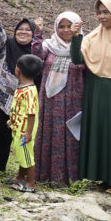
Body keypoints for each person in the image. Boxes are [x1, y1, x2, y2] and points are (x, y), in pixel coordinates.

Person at [70, 0, 111, 198]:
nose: (101, 16)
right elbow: (77, 60)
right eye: (99, 12)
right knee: (100, 132)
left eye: (106, 12)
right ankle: (105, 178)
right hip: (96, 91)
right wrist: (76, 38)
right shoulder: (94, 36)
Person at [0, 0, 41, 172]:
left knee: (13, 136)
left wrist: (39, 32)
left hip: (23, 102)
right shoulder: (6, 46)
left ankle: (2, 167)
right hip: (1, 98)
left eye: (27, 30)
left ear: (33, 34)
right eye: (20, 29)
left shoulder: (36, 50)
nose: (23, 32)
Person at [33, 11, 86, 185]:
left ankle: (71, 177)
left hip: (73, 99)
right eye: (61, 26)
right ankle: (46, 175)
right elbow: (37, 55)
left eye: (69, 26)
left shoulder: (84, 45)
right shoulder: (49, 45)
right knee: (50, 132)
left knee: (71, 134)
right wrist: (38, 33)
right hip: (51, 100)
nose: (65, 30)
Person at [7, 54, 43, 193]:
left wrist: (28, 133)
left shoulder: (29, 91)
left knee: (27, 155)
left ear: (18, 70)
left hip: (24, 131)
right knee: (21, 153)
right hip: (18, 128)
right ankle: (19, 176)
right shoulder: (23, 87)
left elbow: (31, 113)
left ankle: (30, 183)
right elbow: (18, 107)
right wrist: (12, 120)